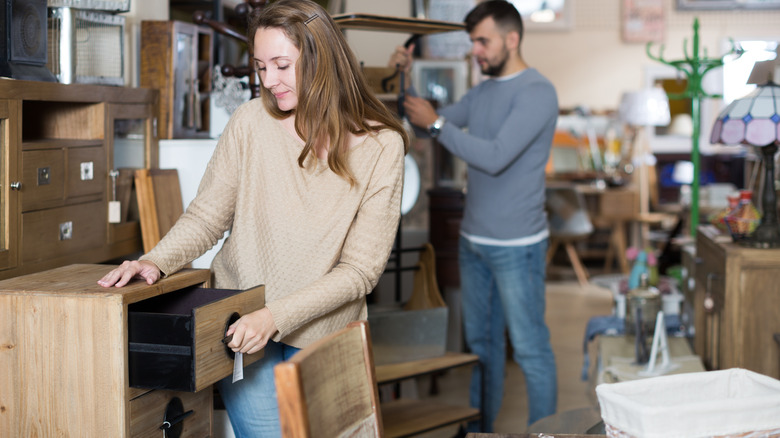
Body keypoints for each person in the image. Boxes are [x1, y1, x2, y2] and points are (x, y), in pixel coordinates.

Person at [99, 0, 408, 436]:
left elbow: (360, 270)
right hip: (241, 326)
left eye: (282, 65)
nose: (269, 80)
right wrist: (155, 260)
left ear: (323, 59)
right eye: (261, 66)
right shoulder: (249, 122)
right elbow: (208, 216)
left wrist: (275, 316)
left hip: (325, 332)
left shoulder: (382, 145)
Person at [388, 0, 558, 431]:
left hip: (518, 247)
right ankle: (479, 432)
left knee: (530, 349)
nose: (476, 50)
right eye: (473, 42)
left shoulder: (537, 92)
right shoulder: (482, 92)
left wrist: (440, 126)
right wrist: (404, 75)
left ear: (511, 38)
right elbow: (427, 122)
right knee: (482, 349)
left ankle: (548, 433)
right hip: (474, 243)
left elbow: (495, 156)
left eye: (483, 41)